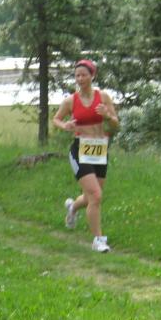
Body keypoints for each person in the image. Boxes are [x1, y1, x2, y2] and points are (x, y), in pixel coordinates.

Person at [52, 59, 120, 253]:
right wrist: (65, 125)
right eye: (77, 76)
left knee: (92, 197)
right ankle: (98, 240)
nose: (80, 79)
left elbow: (115, 124)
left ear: (92, 76)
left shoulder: (103, 97)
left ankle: (73, 208)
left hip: (99, 149)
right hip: (80, 150)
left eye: (84, 75)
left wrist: (107, 116)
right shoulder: (71, 101)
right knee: (96, 196)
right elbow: (56, 119)